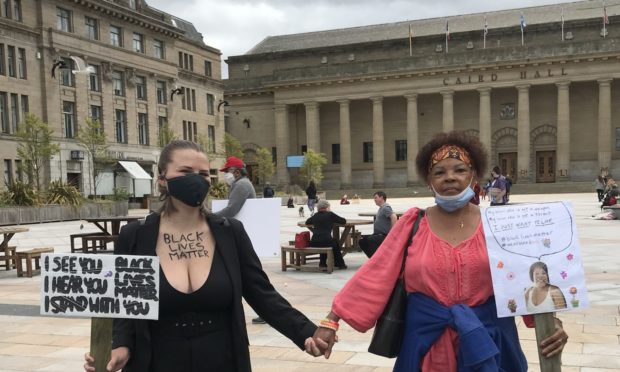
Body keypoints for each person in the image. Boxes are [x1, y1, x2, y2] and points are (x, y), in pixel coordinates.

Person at [311, 131, 568, 371]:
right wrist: (331, 321)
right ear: (429, 182)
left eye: (460, 170)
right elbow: (376, 273)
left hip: (489, 342)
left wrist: (551, 324)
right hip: (426, 348)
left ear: (475, 177)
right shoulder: (412, 224)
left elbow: (526, 279)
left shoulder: (498, 226)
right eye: (439, 172)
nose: (450, 177)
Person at [83, 140, 323, 372]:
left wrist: (306, 332)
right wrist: (119, 345)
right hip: (155, 359)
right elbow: (122, 302)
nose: (196, 179)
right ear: (162, 179)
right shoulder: (135, 235)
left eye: (204, 174)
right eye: (186, 171)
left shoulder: (230, 233)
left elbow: (262, 294)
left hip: (223, 359)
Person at [215, 157, 265, 324]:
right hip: (242, 234)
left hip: (241, 235)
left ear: (236, 172)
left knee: (248, 276)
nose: (225, 176)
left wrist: (208, 217)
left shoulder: (241, 185)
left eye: (227, 172)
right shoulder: (241, 183)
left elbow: (232, 209)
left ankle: (263, 311)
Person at [304, 199, 347, 269]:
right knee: (333, 242)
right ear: (327, 207)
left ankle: (322, 263)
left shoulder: (315, 215)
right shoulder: (330, 214)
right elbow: (343, 221)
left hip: (314, 242)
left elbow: (307, 222)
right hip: (326, 241)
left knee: (327, 241)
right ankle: (340, 264)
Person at [358, 191, 397, 258]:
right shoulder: (381, 208)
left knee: (371, 240)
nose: (374, 200)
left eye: (376, 198)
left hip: (384, 235)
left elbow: (394, 217)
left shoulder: (385, 207)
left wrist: (392, 232)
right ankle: (373, 259)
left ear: (381, 198)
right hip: (378, 234)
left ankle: (376, 259)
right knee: (362, 241)